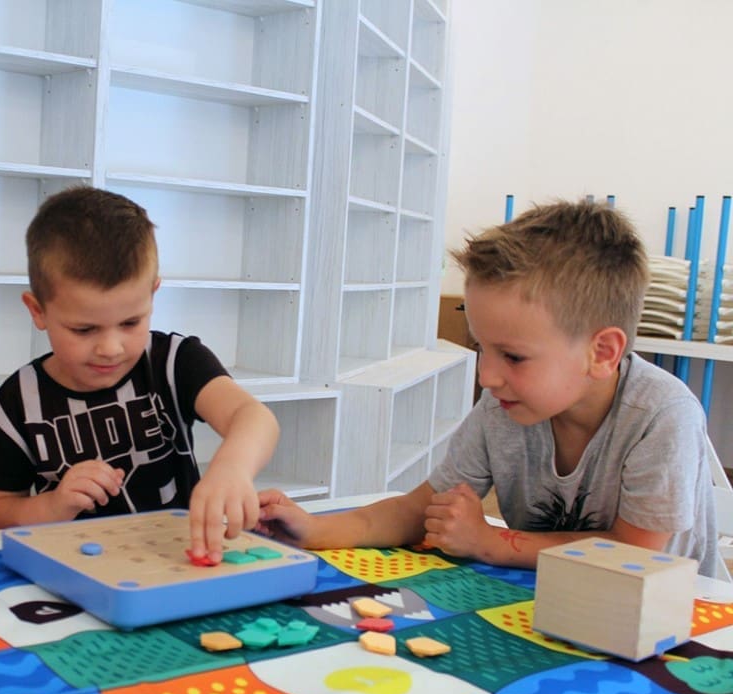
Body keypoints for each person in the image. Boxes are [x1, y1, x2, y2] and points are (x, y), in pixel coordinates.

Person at [259, 199, 731, 581]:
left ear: (602, 352)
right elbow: (417, 510)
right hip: (550, 603)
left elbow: (636, 555)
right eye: (480, 348)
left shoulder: (662, 415)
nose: (487, 376)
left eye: (513, 357)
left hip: (676, 626)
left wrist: (491, 543)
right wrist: (315, 529)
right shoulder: (502, 408)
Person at [0, 185, 280, 563]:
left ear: (153, 294)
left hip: (180, 563)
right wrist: (53, 505)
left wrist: (232, 468)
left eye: (131, 322)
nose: (110, 348)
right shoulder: (16, 402)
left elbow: (253, 417)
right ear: (38, 311)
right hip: (74, 572)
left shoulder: (175, 360)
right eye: (84, 329)